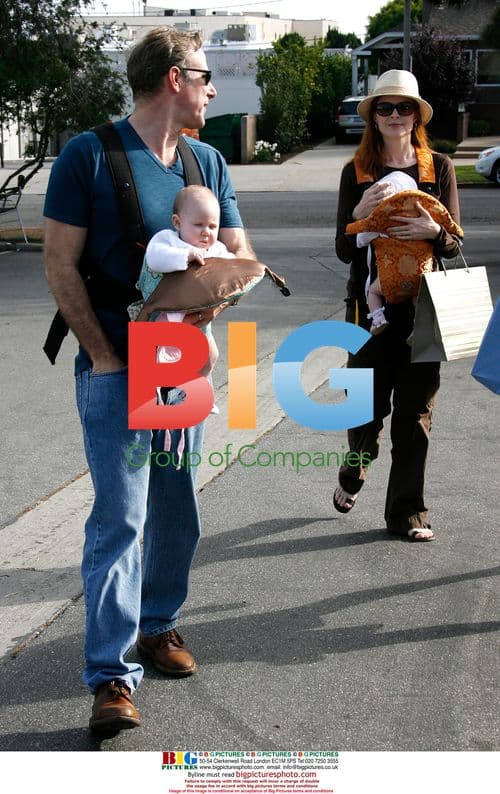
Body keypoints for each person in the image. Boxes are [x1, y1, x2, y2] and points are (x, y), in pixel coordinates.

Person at [43, 27, 255, 733]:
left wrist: (224, 293)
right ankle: (110, 676)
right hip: (117, 364)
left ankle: (158, 623)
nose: (213, 89)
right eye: (205, 75)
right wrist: (103, 355)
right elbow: (60, 264)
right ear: (173, 77)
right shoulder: (89, 155)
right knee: (120, 519)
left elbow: (238, 251)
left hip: (183, 367)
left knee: (176, 509)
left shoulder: (207, 161)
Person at [334, 69, 462, 541]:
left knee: (416, 412)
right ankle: (355, 469)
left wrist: (434, 232)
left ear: (416, 116)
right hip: (368, 310)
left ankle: (408, 512)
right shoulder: (357, 172)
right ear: (373, 117)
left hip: (425, 306)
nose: (394, 115)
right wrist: (359, 212)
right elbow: (344, 249)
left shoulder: (438, 168)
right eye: (384, 108)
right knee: (363, 406)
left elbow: (453, 243)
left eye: (403, 107)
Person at [134, 184, 237, 378]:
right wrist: (186, 255)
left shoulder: (216, 249)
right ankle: (166, 395)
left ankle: (200, 389)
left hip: (198, 318)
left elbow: (233, 265)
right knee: (166, 359)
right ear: (177, 222)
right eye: (199, 225)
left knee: (210, 355)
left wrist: (240, 272)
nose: (206, 232)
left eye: (213, 226)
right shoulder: (168, 240)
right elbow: (155, 258)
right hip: (166, 317)